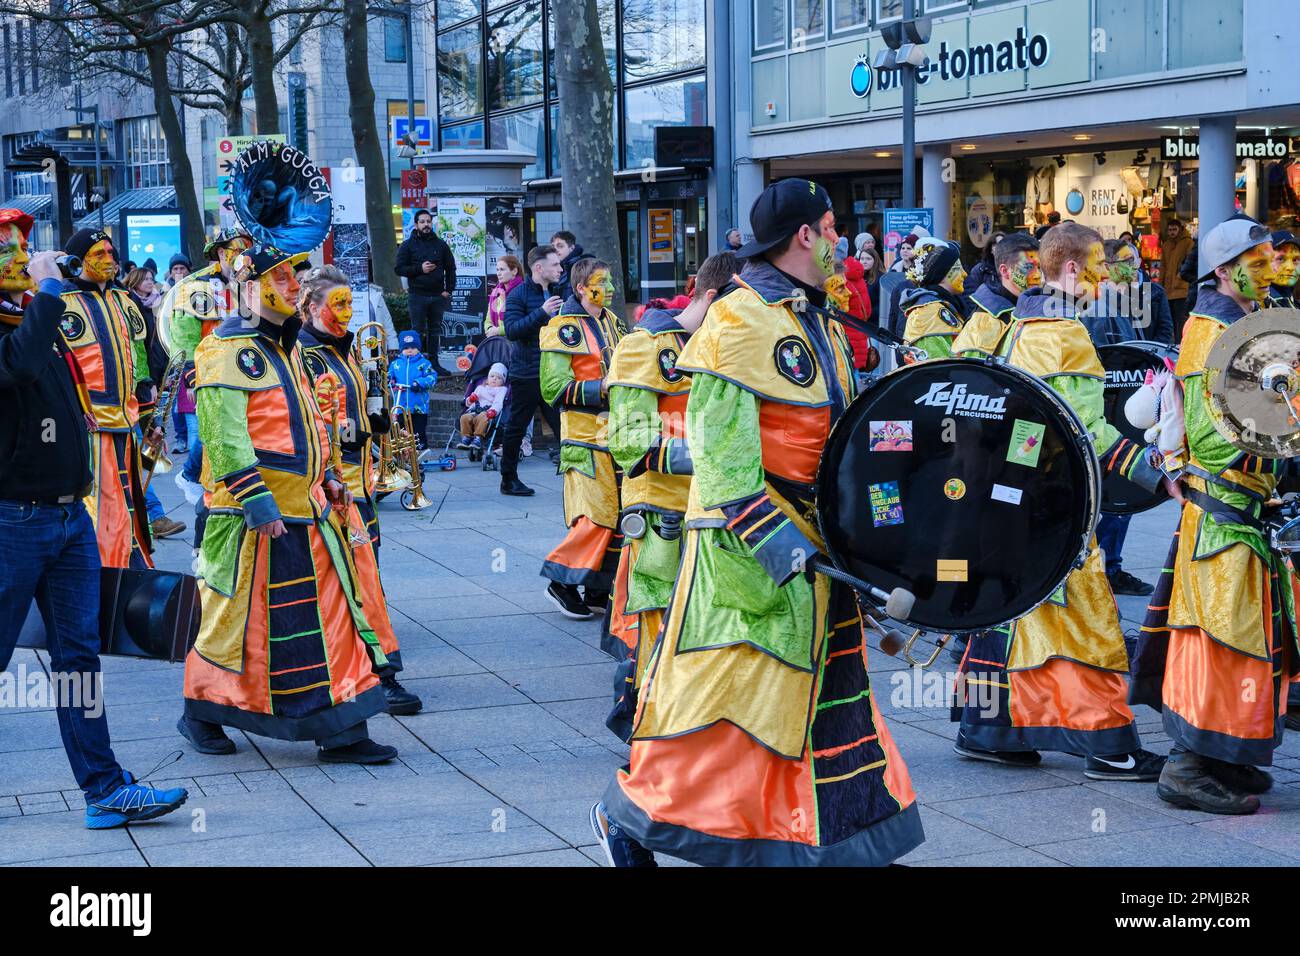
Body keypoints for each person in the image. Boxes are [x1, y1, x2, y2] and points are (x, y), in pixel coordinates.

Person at [591, 179, 922, 868]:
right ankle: (630, 820)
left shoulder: (820, 320)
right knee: (729, 715)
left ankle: (821, 840)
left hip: (814, 553)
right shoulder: (739, 323)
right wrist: (787, 553)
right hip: (750, 564)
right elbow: (722, 468)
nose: (839, 243)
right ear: (805, 234)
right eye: (831, 228)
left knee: (810, 712)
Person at [952, 222, 1168, 782]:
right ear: (1070, 270)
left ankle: (990, 730)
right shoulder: (1065, 335)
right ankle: (1106, 744)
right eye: (1096, 266)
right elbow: (1087, 432)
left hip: (995, 500)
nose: (1104, 278)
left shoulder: (1001, 328)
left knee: (1006, 609)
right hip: (1051, 503)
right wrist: (1157, 472)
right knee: (1089, 615)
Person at [178, 243, 400, 764]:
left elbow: (312, 423)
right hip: (250, 520)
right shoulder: (222, 350)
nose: (293, 285)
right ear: (250, 288)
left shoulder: (292, 348)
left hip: (311, 509)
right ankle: (201, 709)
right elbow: (224, 437)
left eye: (293, 276)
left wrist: (328, 475)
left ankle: (342, 729)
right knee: (234, 622)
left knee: (331, 617)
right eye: (280, 278)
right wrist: (257, 502)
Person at [0, 217, 189, 829]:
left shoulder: (32, 313)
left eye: (24, 247)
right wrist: (50, 291)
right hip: (13, 521)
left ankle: (103, 790)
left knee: (79, 659)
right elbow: (20, 367)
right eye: (9, 249)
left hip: (67, 516)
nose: (23, 256)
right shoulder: (32, 319)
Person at [1132, 219, 1289, 815]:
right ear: (1224, 270)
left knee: (1240, 636)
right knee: (1220, 639)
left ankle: (1225, 753)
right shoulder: (1211, 331)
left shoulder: (1241, 322)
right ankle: (1188, 766)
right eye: (1261, 257)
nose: (1273, 265)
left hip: (1241, 508)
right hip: (1223, 512)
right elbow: (1216, 435)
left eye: (1274, 255)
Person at [602, 251, 737, 740]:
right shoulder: (644, 347)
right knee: (661, 627)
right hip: (662, 513)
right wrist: (712, 456)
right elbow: (629, 441)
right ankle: (648, 728)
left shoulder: (724, 346)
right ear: (712, 297)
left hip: (712, 510)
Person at [296, 266, 421, 717]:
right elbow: (314, 422)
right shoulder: (305, 355)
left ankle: (366, 671)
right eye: (339, 304)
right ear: (312, 308)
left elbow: (354, 408)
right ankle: (378, 675)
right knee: (357, 581)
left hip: (359, 480)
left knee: (368, 577)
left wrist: (376, 420)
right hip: (334, 485)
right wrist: (353, 434)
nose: (348, 313)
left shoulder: (341, 349)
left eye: (351, 304)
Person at [59, 228, 155, 569]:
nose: (110, 260)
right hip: (89, 426)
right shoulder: (61, 303)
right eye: (99, 254)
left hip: (126, 424)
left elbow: (139, 358)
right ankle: (104, 569)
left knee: (128, 500)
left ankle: (128, 564)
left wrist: (148, 415)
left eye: (111, 253)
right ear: (79, 260)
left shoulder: (124, 300)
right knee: (101, 506)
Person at [538, 257, 626, 619]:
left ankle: (596, 589)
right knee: (595, 516)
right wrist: (600, 386)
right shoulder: (562, 327)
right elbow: (552, 388)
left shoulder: (616, 324)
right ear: (581, 288)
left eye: (608, 281)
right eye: (601, 282)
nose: (608, 289)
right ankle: (560, 581)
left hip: (618, 435)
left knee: (618, 515)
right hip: (584, 436)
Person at [163, 228, 253, 521]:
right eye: (235, 252)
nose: (242, 259)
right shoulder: (195, 287)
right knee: (212, 428)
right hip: (210, 370)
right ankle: (191, 475)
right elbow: (183, 335)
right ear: (220, 254)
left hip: (245, 371)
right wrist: (191, 375)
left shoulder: (250, 285)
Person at [123, 266, 186, 541]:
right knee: (136, 459)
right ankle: (151, 516)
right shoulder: (129, 306)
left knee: (139, 458)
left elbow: (155, 353)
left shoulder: (151, 307)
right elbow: (139, 356)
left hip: (144, 390)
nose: (150, 283)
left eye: (151, 278)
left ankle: (149, 516)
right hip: (129, 396)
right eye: (145, 279)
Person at [499, 244, 565, 496]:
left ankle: (579, 476)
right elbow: (513, 330)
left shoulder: (561, 291)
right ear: (539, 268)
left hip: (555, 372)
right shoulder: (519, 294)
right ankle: (508, 479)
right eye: (555, 264)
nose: (560, 268)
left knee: (564, 425)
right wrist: (542, 312)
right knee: (516, 426)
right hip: (527, 372)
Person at [951, 232, 1039, 358]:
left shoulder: (1037, 307)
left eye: (1040, 267)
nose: (1038, 276)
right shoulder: (983, 324)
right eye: (1029, 267)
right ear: (1005, 271)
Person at [395, 209, 456, 375]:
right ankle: (416, 365)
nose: (426, 224)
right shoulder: (407, 245)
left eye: (428, 221)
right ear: (416, 225)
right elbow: (399, 269)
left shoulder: (441, 245)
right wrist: (419, 268)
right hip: (417, 295)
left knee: (435, 330)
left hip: (437, 296)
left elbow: (451, 268)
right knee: (417, 330)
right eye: (422, 222)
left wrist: (448, 290)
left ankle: (434, 364)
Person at [1091, 238, 1173, 346]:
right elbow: (1107, 355)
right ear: (1107, 267)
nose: (1134, 266)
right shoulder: (1097, 305)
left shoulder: (1129, 298)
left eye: (1134, 260)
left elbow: (1164, 330)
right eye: (1127, 261)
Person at [900, 238, 968, 359]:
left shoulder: (945, 305)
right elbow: (936, 365)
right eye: (958, 269)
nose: (964, 274)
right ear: (941, 275)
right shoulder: (928, 313)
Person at [389, 330, 438, 450]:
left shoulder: (424, 363)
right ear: (401, 349)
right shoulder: (396, 364)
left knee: (418, 431)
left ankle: (420, 451)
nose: (410, 350)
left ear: (418, 348)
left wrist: (419, 383)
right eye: (406, 348)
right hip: (400, 405)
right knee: (400, 431)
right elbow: (389, 376)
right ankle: (403, 453)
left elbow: (432, 377)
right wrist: (390, 382)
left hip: (419, 406)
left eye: (413, 347)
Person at [1158, 216, 1195, 340]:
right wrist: (1160, 285)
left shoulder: (1188, 242)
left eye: (1174, 229)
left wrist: (1180, 277)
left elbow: (1189, 263)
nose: (1171, 232)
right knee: (1170, 320)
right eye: (1169, 230)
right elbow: (1163, 267)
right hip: (1168, 290)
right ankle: (1174, 345)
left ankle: (1181, 344)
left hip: (1181, 289)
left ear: (1180, 229)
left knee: (1181, 320)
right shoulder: (1166, 244)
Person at [458, 362, 508, 450]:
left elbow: (498, 403)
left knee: (482, 417)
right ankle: (466, 437)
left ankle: (478, 438)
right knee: (464, 417)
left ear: (503, 382)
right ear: (487, 378)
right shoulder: (480, 388)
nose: (495, 379)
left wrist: (494, 411)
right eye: (492, 376)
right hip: (474, 410)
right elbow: (468, 403)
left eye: (499, 378)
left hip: (487, 412)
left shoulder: (501, 390)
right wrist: (470, 399)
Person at [486, 254, 523, 337]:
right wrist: (489, 329)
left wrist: (498, 331)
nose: (498, 273)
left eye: (502, 269)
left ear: (514, 271)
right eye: (497, 270)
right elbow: (488, 320)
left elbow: (522, 323)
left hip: (517, 343)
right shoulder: (496, 293)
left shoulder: (522, 291)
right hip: (499, 343)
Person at [1268, 230, 1299, 308]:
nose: (1290, 267)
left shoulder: (1293, 302)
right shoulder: (1261, 305)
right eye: (1281, 259)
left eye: (1295, 260)